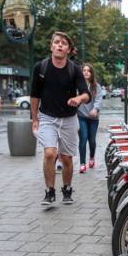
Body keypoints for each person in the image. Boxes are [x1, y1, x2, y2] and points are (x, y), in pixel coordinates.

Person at [30, 31, 91, 206]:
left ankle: (67, 189)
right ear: (51, 46)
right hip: (47, 116)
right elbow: (34, 95)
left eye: (63, 43)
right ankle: (49, 191)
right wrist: (35, 118)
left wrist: (78, 99)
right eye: (56, 42)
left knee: (66, 158)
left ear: (68, 49)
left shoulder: (74, 69)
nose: (59, 45)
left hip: (69, 119)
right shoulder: (40, 68)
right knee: (50, 153)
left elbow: (86, 94)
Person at [77, 63, 104, 173]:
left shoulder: (96, 86)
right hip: (81, 116)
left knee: (91, 140)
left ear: (92, 73)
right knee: (83, 139)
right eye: (84, 70)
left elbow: (98, 99)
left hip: (93, 118)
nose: (86, 72)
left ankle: (92, 157)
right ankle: (82, 163)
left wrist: (95, 109)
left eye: (88, 70)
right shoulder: (77, 86)